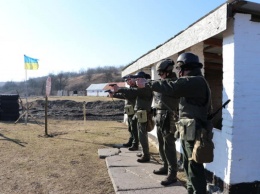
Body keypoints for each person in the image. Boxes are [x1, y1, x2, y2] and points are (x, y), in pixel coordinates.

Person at [136, 52, 212, 193]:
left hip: (195, 131)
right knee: (188, 163)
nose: (178, 72)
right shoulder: (194, 81)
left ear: (184, 67)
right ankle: (191, 189)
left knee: (194, 166)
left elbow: (173, 87)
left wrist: (147, 83)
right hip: (189, 130)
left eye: (179, 68)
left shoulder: (195, 81)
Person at [112, 71, 153, 163]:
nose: (136, 81)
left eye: (138, 79)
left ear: (143, 79)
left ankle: (146, 155)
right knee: (140, 134)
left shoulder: (145, 88)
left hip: (143, 113)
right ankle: (144, 152)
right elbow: (130, 92)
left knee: (142, 135)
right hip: (139, 113)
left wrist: (120, 89)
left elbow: (131, 92)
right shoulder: (142, 88)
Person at [152, 58, 179, 186]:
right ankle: (165, 166)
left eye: (161, 72)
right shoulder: (162, 82)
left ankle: (172, 173)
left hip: (169, 117)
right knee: (161, 143)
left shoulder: (174, 83)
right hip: (159, 116)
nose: (160, 75)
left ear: (168, 71)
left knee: (169, 146)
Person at [108, 76, 139, 151]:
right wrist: (113, 94)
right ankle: (131, 141)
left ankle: (135, 144)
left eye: (129, 80)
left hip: (134, 110)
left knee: (134, 128)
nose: (128, 82)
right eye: (127, 81)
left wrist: (119, 89)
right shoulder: (130, 89)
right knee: (130, 128)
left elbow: (128, 93)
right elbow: (124, 95)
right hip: (130, 110)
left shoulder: (136, 88)